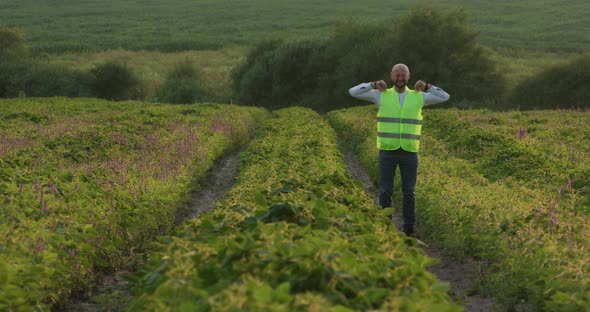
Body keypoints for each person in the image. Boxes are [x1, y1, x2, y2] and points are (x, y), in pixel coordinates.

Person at [348, 63, 450, 236]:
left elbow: (445, 96)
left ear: (408, 77)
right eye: (397, 75)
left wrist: (427, 86)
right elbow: (353, 91)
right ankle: (385, 226)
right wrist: (373, 84)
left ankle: (409, 227)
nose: (400, 78)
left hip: (410, 151)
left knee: (409, 191)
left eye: (403, 75)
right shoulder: (380, 95)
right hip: (387, 151)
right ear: (391, 76)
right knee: (385, 190)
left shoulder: (419, 96)